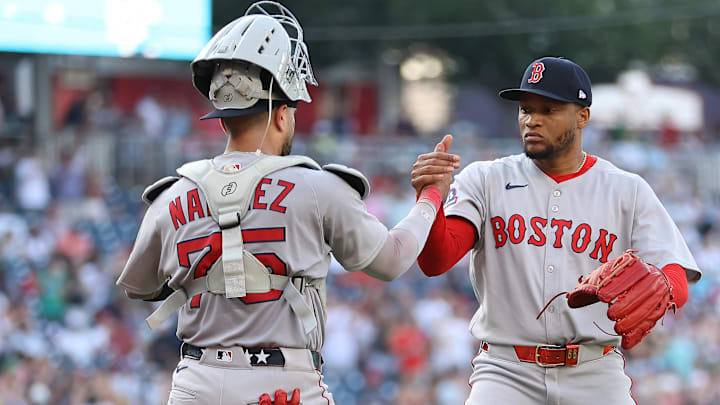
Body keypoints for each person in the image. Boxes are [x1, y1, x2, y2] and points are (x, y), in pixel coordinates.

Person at [115, 2, 457, 404]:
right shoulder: (318, 186)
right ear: (281, 114)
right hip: (282, 385)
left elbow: (139, 287)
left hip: (195, 385)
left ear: (223, 119)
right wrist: (431, 196)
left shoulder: (170, 195)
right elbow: (392, 260)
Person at [411, 56, 701, 404]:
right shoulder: (486, 178)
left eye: (548, 110)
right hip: (506, 371)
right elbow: (436, 261)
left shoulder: (626, 188)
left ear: (582, 116)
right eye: (526, 109)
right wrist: (430, 198)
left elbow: (675, 275)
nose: (532, 120)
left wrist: (666, 284)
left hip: (594, 370)